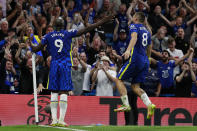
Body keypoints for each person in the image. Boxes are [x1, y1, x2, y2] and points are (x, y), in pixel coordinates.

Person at [30, 14, 114, 127]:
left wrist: (30, 42)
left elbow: (36, 49)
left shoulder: (48, 36)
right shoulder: (68, 33)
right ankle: (61, 120)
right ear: (63, 25)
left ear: (54, 26)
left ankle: (54, 120)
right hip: (65, 64)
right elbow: (86, 29)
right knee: (64, 91)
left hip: (54, 64)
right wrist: (103, 20)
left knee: (54, 91)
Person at [113, 12, 155, 119]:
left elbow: (134, 38)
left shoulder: (134, 26)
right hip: (145, 61)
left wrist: (127, 50)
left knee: (118, 79)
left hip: (135, 59)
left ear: (136, 18)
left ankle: (126, 105)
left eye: (133, 17)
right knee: (135, 86)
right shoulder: (147, 31)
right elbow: (150, 46)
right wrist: (148, 59)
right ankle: (149, 105)